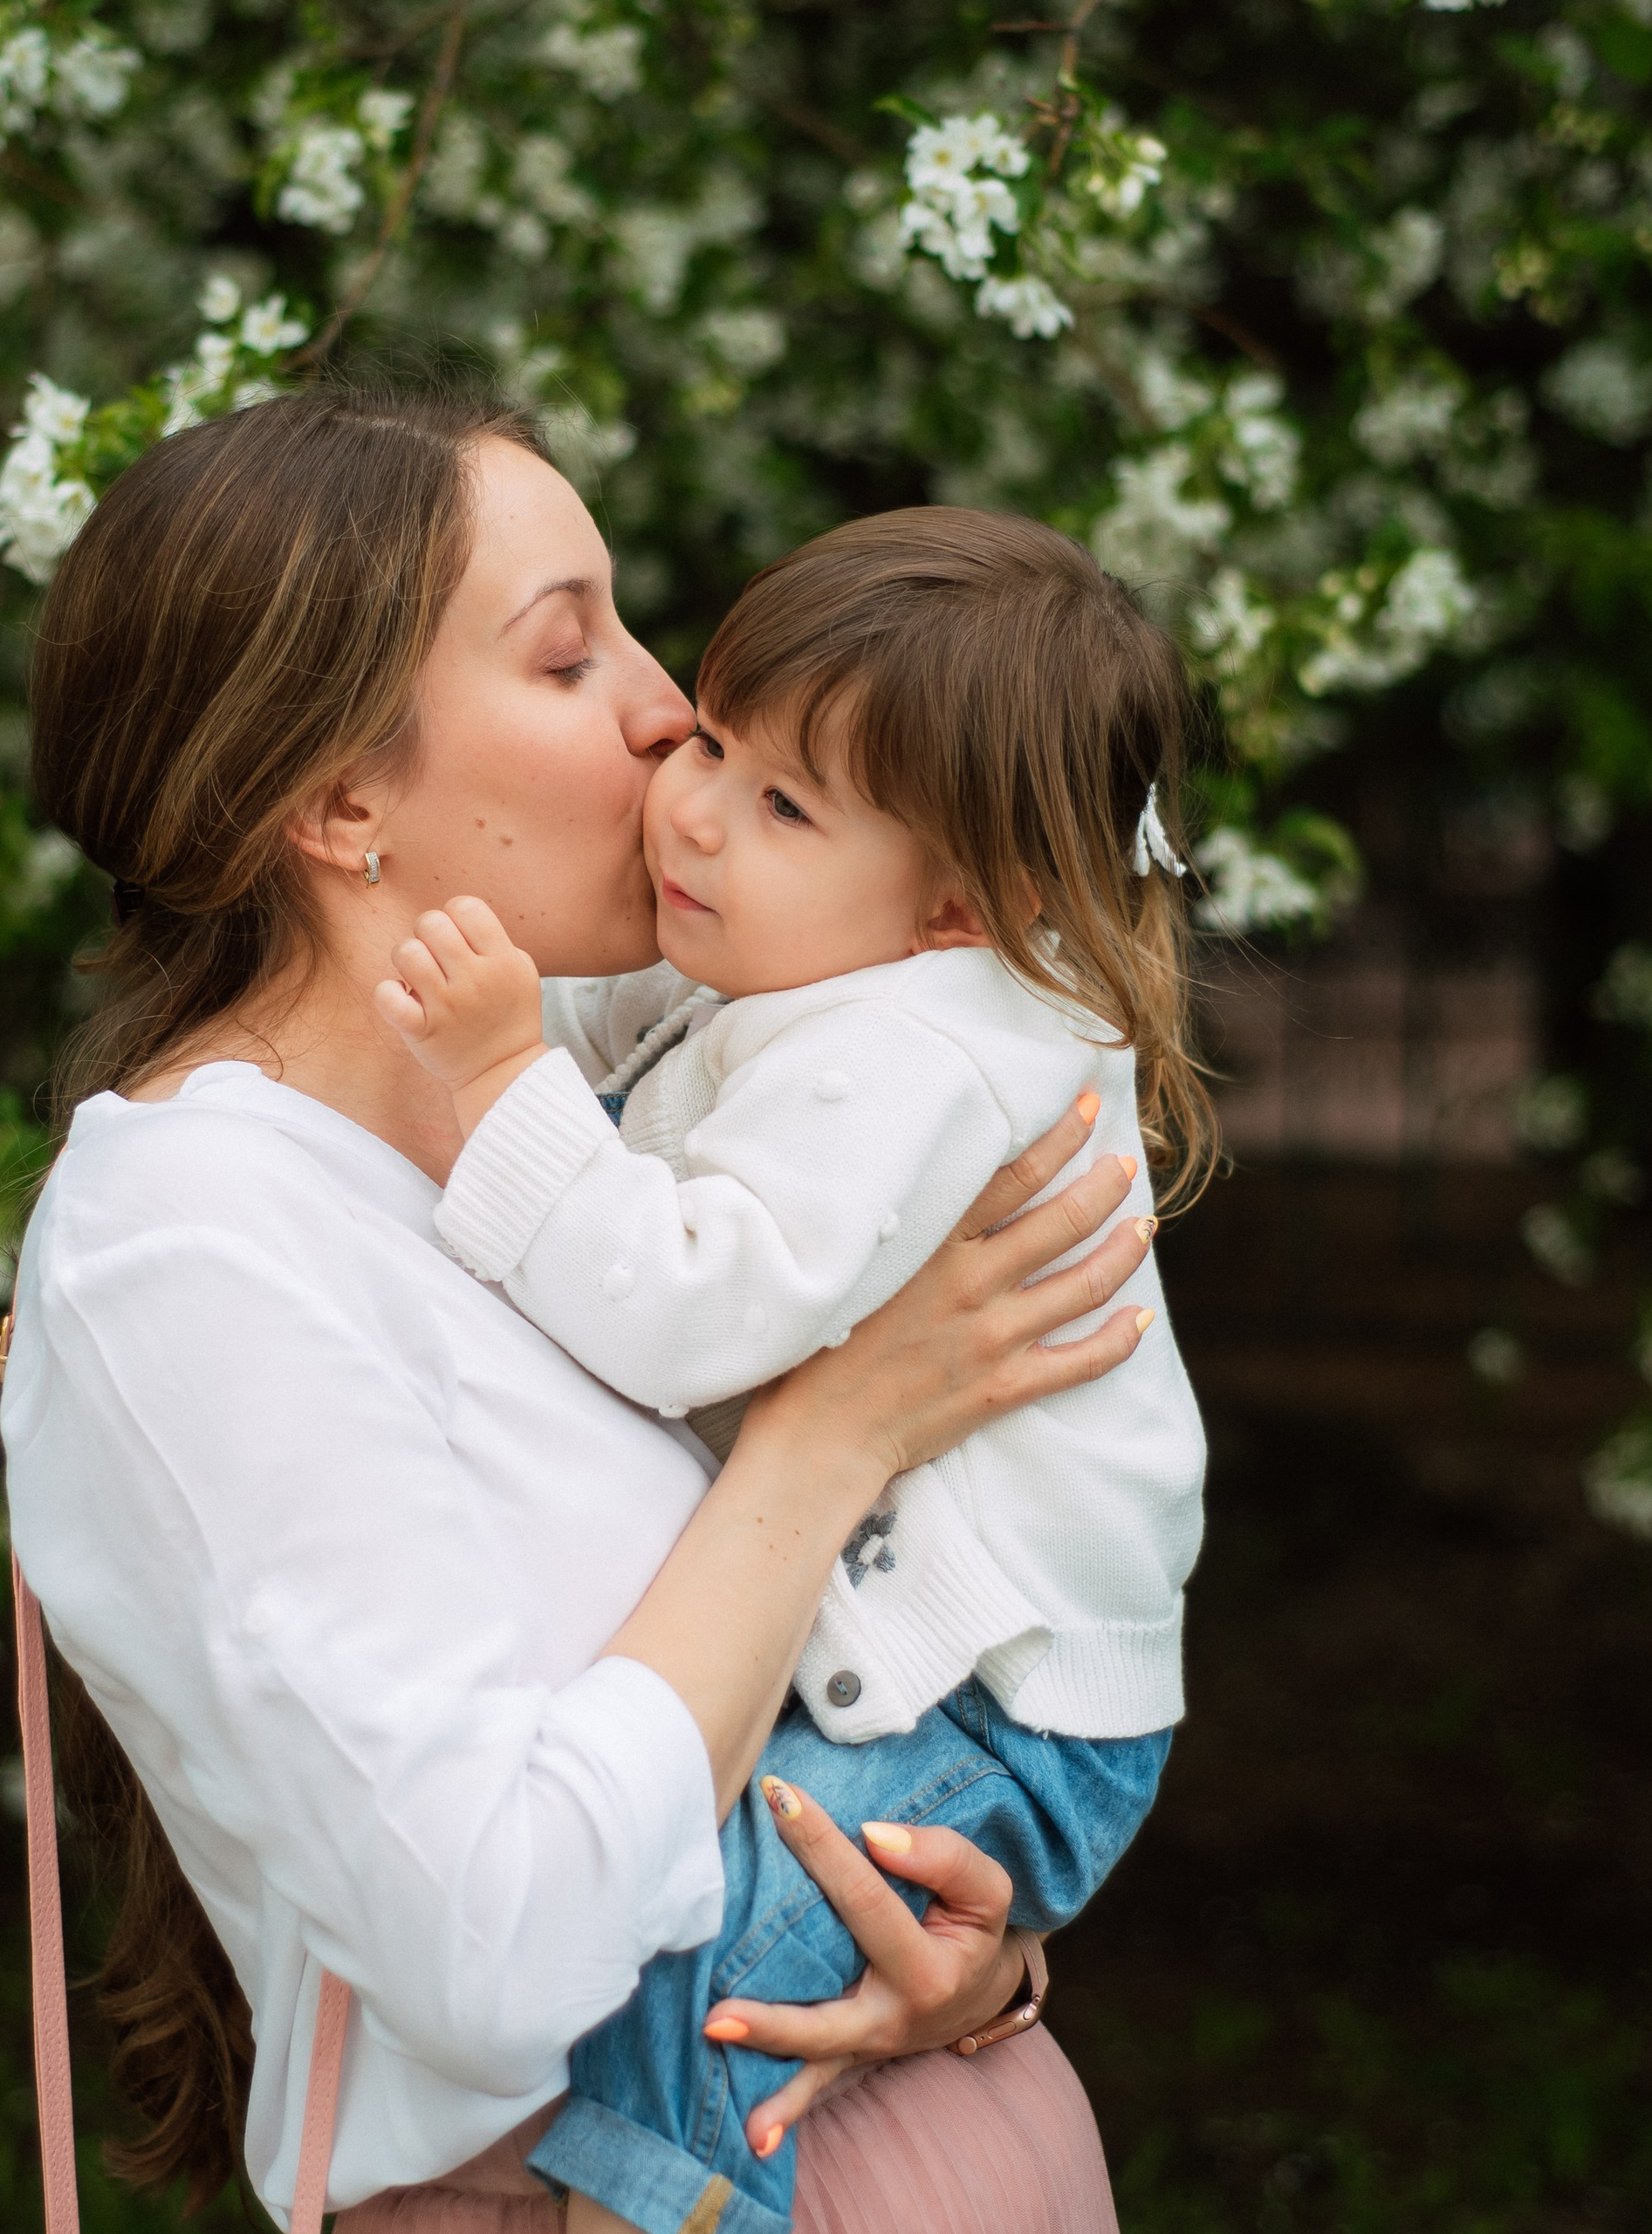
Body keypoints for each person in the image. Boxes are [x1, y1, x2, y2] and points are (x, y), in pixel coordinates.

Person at [1, 380, 1158, 2234]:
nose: (665, 709)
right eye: (565, 657)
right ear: (335, 799)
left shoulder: (610, 1112)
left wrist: (970, 1958)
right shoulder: (191, 1233)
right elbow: (497, 1942)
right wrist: (838, 1424)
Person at [373, 508, 1210, 2234]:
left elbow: (688, 1301)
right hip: (949, 1672)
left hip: (997, 1703)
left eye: (779, 803)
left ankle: (654, 2202)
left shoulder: (919, 1050)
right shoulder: (810, 961)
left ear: (962, 906)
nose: (688, 805)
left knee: (710, 1957)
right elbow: (607, 1040)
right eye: (715, 736)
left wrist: (493, 1080)